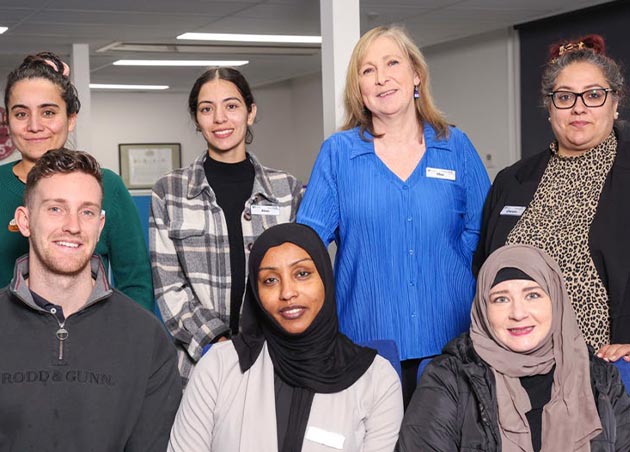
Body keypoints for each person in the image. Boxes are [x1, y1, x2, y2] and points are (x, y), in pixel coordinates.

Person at [296, 24, 490, 404]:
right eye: (367, 70)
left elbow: (483, 231)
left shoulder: (455, 145)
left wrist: (447, 269)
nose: (381, 78)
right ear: (359, 88)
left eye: (391, 63)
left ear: (416, 74)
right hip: (367, 343)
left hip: (450, 340)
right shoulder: (339, 153)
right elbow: (308, 245)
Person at [0, 148, 182, 450]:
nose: (73, 225)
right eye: (55, 209)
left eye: (86, 211)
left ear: (99, 226)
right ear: (25, 221)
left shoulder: (147, 339)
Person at [168, 223, 403, 451]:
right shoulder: (217, 367)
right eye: (270, 280)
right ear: (256, 293)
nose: (287, 292)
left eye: (302, 274)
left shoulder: (378, 380)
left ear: (325, 279)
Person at [473, 34, 630, 363]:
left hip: (604, 370)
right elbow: (485, 270)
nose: (578, 108)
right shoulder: (511, 181)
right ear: (549, 106)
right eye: (564, 97)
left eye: (594, 95)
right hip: (515, 368)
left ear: (615, 103)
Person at [150, 67, 303, 384]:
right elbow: (169, 288)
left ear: (250, 112)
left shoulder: (287, 190)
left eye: (232, 106)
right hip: (200, 365)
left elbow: (301, 279)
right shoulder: (170, 192)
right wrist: (217, 343)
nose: (220, 118)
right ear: (197, 118)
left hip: (276, 359)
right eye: (207, 109)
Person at [398, 244, 630, 451]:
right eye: (501, 299)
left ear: (556, 301)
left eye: (533, 295)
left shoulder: (600, 377)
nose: (518, 313)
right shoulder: (449, 377)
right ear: (483, 309)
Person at [1, 51, 154, 310]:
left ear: (71, 118)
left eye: (48, 112)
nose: (34, 126)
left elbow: (135, 283)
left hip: (91, 340)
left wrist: (128, 344)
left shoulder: (108, 188)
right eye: (21, 114)